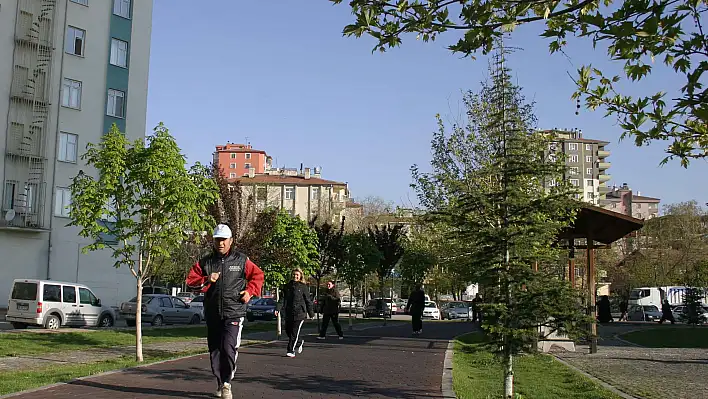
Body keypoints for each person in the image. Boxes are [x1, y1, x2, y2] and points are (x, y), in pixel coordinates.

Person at [186, 224, 264, 399]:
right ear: (213, 241)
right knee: (215, 350)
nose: (220, 243)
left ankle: (227, 383)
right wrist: (206, 279)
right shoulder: (205, 262)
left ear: (231, 241)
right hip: (213, 313)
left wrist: (250, 291)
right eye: (217, 240)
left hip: (234, 311)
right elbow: (190, 282)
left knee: (228, 348)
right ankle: (220, 381)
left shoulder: (242, 260)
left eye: (223, 240)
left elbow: (258, 275)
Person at [275, 268, 315, 357]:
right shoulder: (287, 286)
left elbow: (308, 300)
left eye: (297, 275)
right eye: (294, 274)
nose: (295, 276)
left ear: (300, 276)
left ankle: (291, 350)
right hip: (289, 312)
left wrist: (311, 313)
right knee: (288, 331)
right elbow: (282, 299)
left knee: (294, 332)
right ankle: (300, 341)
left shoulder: (303, 287)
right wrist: (277, 309)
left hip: (300, 313)